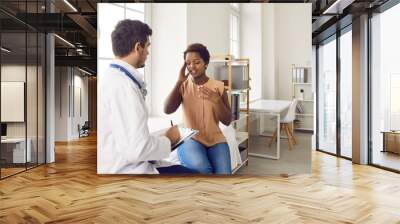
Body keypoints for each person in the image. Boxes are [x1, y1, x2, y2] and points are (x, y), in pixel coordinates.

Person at [98, 19, 197, 174]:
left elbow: (129, 135)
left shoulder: (115, 78)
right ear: (138, 47)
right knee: (195, 176)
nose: (148, 52)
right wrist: (169, 139)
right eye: (147, 46)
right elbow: (136, 149)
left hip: (123, 161)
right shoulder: (124, 87)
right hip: (127, 169)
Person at [164, 43, 232, 174]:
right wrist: (179, 82)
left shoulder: (218, 86)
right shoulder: (183, 85)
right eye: (188, 63)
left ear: (206, 63)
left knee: (224, 175)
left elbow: (227, 121)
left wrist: (216, 101)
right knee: (203, 169)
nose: (191, 67)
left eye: (196, 62)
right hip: (191, 138)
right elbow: (167, 110)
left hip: (215, 139)